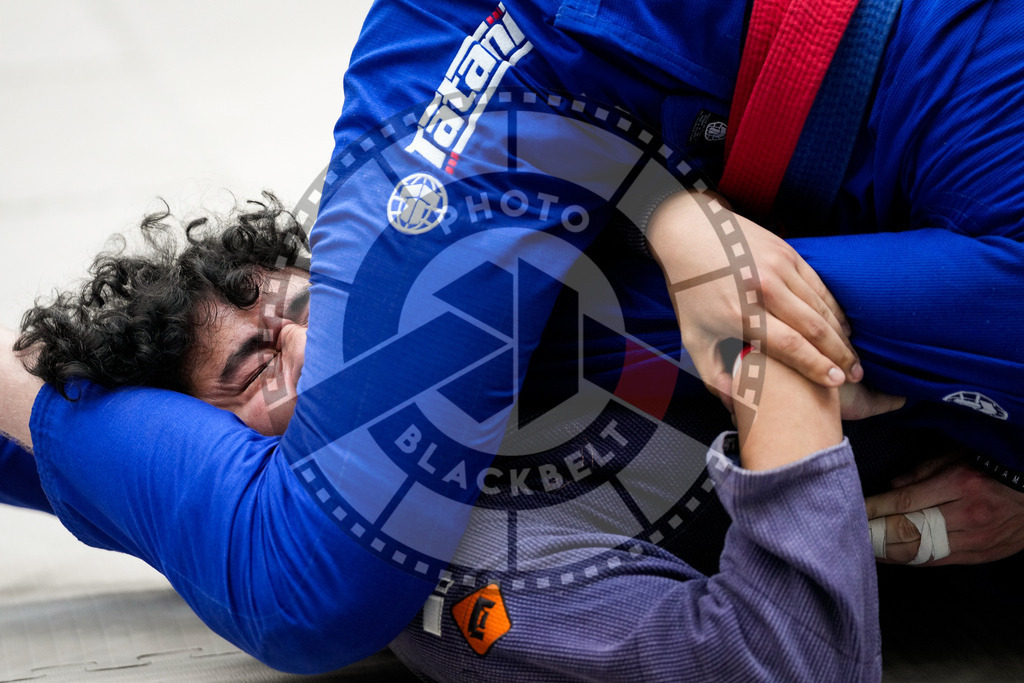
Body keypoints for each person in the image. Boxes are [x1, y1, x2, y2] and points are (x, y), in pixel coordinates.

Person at [3, 0, 1023, 676]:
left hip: (628, 64)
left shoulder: (430, 281)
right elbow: (784, 657)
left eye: (307, 306)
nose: (318, 353)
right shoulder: (468, 549)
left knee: (312, 560)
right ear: (221, 457)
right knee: (311, 569)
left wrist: (684, 226)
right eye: (258, 368)